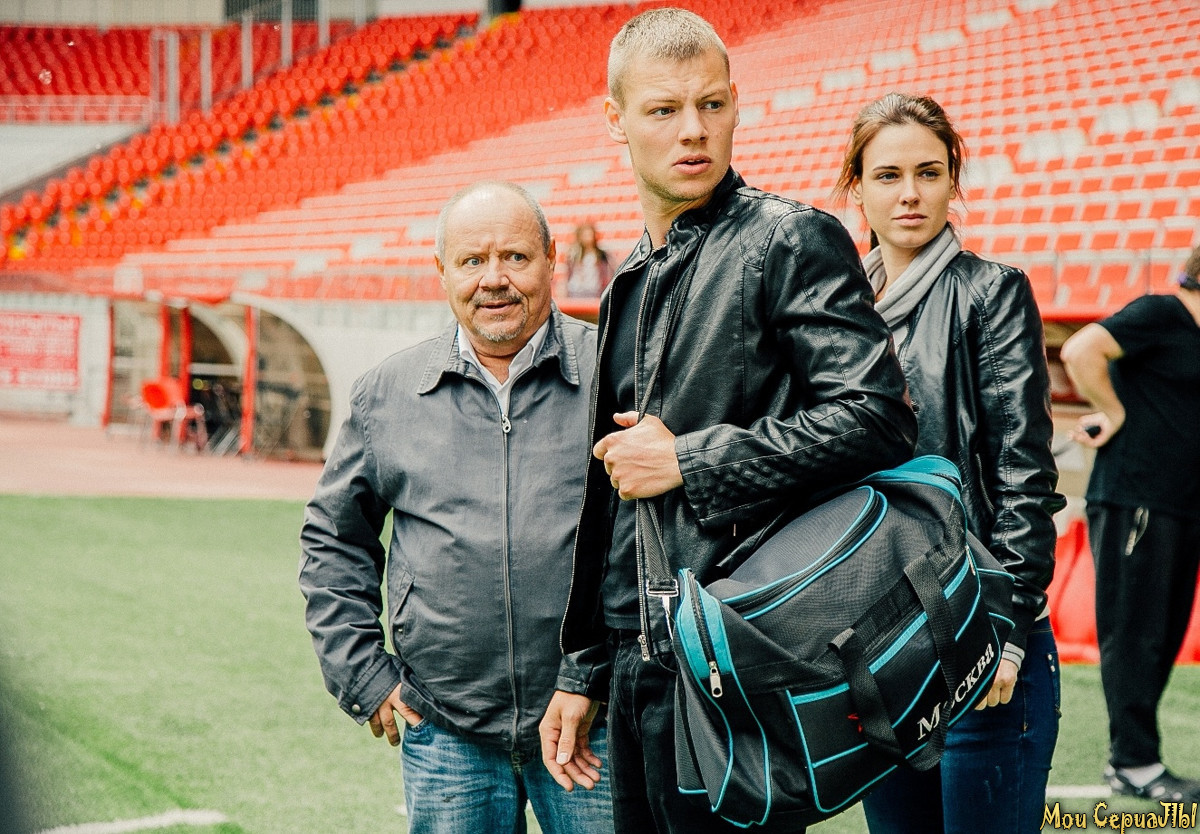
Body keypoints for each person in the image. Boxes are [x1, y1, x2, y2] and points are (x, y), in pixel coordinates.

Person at [537, 10, 917, 833]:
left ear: (737, 105)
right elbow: (613, 500)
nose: (693, 130)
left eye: (711, 105)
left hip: (734, 655)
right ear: (616, 120)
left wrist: (693, 462)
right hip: (639, 660)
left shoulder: (789, 240)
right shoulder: (628, 277)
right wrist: (584, 668)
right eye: (664, 110)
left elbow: (879, 417)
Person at [299, 181, 614, 834]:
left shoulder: (615, 375)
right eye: (472, 261)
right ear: (442, 271)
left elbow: (654, 541)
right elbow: (333, 538)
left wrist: (593, 677)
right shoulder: (387, 394)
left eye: (515, 257)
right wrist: (364, 674)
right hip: (445, 734)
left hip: (592, 722)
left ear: (551, 259)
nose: (493, 279)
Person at [832, 92, 1066, 834]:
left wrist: (1007, 626)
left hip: (979, 631)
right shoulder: (836, 312)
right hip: (882, 645)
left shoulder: (991, 292)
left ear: (952, 181)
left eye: (928, 173)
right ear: (857, 187)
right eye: (888, 174)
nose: (910, 193)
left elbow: (1024, 475)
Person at [1059, 244, 1200, 805]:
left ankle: (1135, 758)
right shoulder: (1160, 312)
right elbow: (1081, 350)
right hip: (1136, 500)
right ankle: (1133, 762)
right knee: (1135, 632)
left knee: (1162, 636)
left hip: (1181, 505)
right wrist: (1114, 411)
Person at [564, 221, 613, 298]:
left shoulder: (600, 253)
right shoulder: (574, 253)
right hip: (576, 290)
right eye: (585, 235)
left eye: (590, 234)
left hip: (593, 290)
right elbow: (569, 272)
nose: (588, 238)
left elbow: (608, 271)